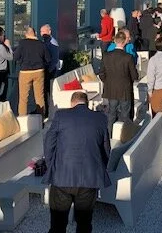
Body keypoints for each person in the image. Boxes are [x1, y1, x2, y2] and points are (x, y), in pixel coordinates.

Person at [43, 91, 110, 233]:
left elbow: (49, 144)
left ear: (71, 103)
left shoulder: (61, 116)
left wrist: (51, 166)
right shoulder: (100, 118)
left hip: (62, 177)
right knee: (84, 224)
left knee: (58, 224)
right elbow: (106, 150)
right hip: (89, 178)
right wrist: (98, 169)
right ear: (87, 103)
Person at [98, 30, 139, 135]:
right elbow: (134, 76)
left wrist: (107, 82)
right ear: (124, 42)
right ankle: (125, 136)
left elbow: (101, 73)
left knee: (111, 114)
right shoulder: (128, 57)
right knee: (125, 115)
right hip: (124, 89)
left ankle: (109, 136)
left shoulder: (106, 56)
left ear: (115, 41)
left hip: (111, 89)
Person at [14, 26, 51, 117]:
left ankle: (23, 119)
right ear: (35, 33)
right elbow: (48, 59)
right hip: (39, 71)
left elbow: (16, 57)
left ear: (26, 34)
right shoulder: (41, 44)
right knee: (39, 97)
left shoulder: (22, 43)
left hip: (25, 72)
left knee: (23, 98)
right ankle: (41, 118)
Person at [40, 24, 60, 118]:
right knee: (44, 91)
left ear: (49, 31)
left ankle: (47, 111)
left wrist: (49, 70)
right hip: (44, 70)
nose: (42, 34)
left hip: (49, 71)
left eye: (44, 31)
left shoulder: (53, 43)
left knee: (48, 91)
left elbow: (55, 59)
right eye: (41, 32)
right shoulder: (44, 42)